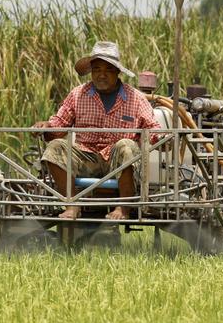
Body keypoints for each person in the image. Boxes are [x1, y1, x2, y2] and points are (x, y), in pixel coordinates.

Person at [34, 41, 160, 221]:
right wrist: (45, 127)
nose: (102, 75)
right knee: (55, 147)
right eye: (97, 69)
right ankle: (72, 205)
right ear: (91, 71)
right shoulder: (78, 94)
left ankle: (123, 208)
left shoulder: (136, 98)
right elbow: (58, 125)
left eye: (108, 70)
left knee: (127, 145)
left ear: (117, 72)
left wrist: (164, 139)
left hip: (118, 160)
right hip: (86, 157)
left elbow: (153, 129)